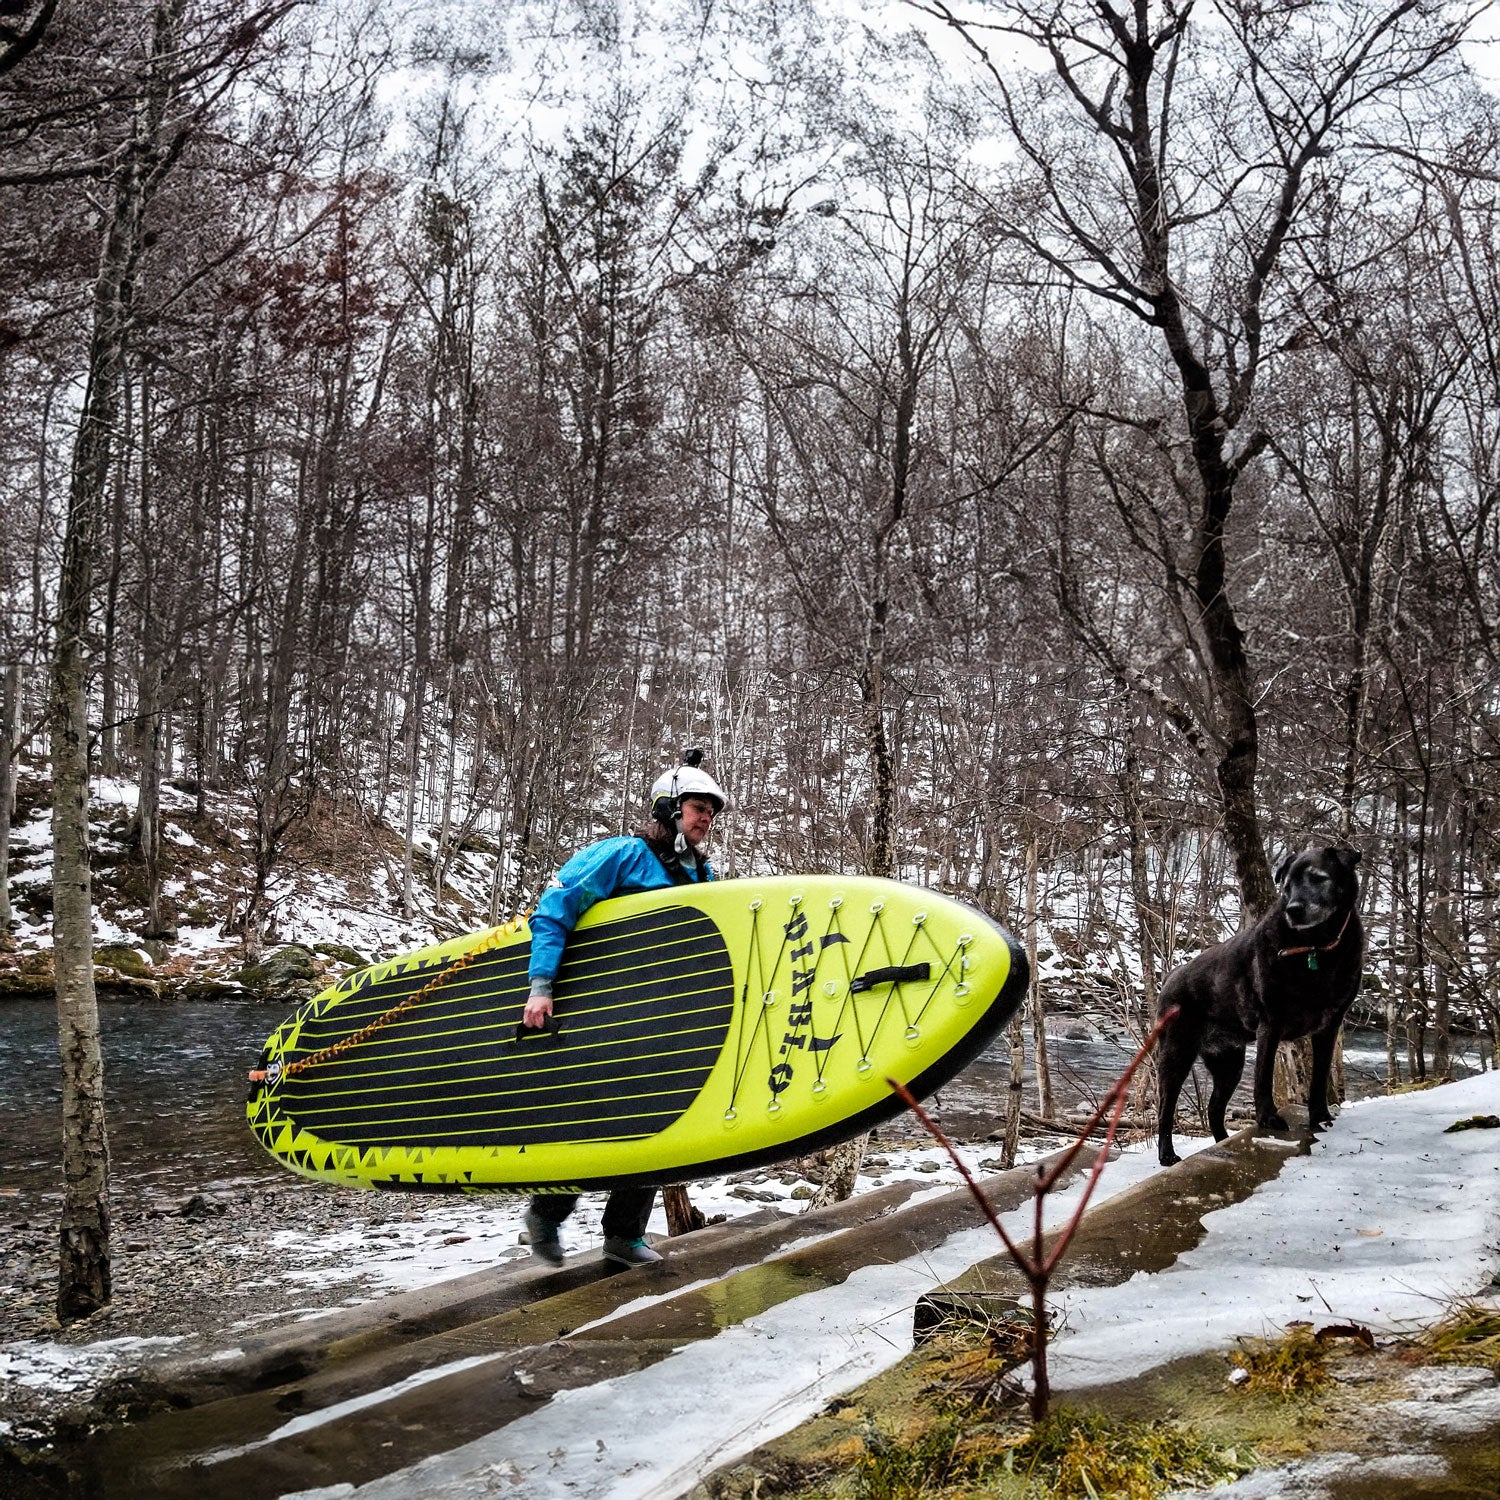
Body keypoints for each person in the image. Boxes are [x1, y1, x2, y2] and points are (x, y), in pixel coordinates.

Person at [521, 751, 728, 1269]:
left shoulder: (703, 877)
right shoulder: (623, 855)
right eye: (698, 807)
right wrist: (541, 986)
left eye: (710, 811)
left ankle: (623, 1235)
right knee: (599, 1117)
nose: (706, 817)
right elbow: (554, 909)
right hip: (607, 1013)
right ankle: (547, 1215)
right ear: (670, 808)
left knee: (660, 1123)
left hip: (669, 1020)